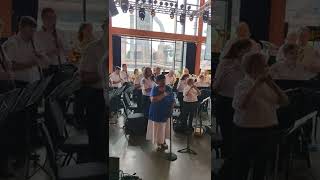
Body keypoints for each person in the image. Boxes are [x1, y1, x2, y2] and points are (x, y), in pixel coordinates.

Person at [230, 52, 288, 180]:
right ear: (253, 67)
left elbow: (285, 101)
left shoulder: (268, 84)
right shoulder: (243, 84)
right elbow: (241, 104)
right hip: (246, 131)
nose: (266, 68)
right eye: (263, 65)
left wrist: (272, 84)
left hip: (267, 130)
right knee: (242, 168)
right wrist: (256, 84)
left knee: (261, 167)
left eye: (266, 65)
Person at [212, 39, 253, 158]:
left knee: (241, 136)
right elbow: (216, 87)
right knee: (228, 136)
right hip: (226, 102)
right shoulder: (226, 63)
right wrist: (225, 73)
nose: (249, 54)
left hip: (242, 103)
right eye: (247, 51)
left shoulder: (248, 65)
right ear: (239, 51)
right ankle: (227, 164)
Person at [79, 20, 108, 162]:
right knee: (97, 141)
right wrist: (103, 73)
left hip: (110, 97)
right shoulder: (92, 49)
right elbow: (83, 77)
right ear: (104, 28)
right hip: (96, 97)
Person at [3, 16, 47, 87]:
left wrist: (42, 57)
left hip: (35, 81)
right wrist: (30, 64)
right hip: (19, 83)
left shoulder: (35, 42)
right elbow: (9, 66)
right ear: (21, 28)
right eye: (30, 31)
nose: (32, 34)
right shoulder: (12, 43)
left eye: (34, 31)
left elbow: (45, 63)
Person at [34, 7, 70, 75]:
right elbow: (37, 54)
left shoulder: (61, 32)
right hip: (46, 68)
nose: (52, 20)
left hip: (62, 65)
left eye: (54, 17)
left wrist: (61, 45)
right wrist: (51, 52)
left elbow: (68, 50)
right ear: (43, 18)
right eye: (49, 17)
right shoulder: (37, 35)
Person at [146, 74, 175, 151]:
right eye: (161, 81)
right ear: (157, 81)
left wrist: (171, 109)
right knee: (158, 128)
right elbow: (153, 100)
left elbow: (173, 100)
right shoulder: (155, 89)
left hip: (167, 112)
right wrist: (164, 94)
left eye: (164, 80)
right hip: (157, 112)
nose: (163, 82)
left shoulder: (168, 88)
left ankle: (163, 141)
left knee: (165, 128)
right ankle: (158, 143)